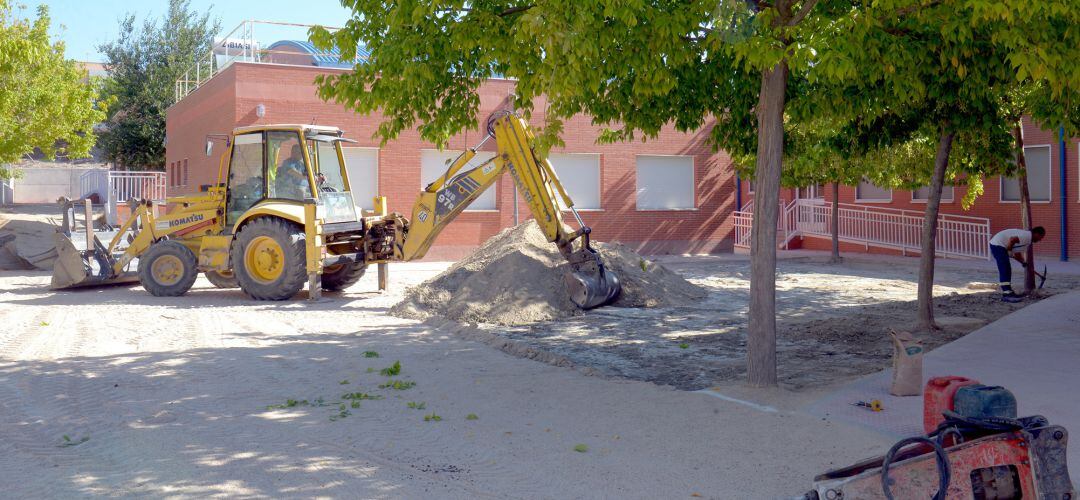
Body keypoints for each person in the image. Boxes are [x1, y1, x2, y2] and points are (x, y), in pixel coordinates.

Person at [989, 226, 1045, 302]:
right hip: (998, 244)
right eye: (1041, 237)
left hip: (1000, 245)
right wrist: (1009, 250)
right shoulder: (1027, 236)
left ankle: (1009, 292)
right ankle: (1007, 294)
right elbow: (1012, 239)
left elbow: (1017, 253)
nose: (1040, 240)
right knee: (1005, 268)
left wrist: (1023, 262)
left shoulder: (1027, 242)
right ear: (1036, 234)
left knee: (1007, 269)